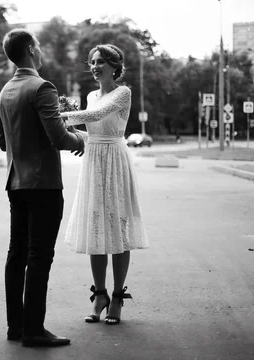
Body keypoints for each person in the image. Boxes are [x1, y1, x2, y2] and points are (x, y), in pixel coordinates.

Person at [0, 29, 85, 347]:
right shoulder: (41, 87)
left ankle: (15, 327)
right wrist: (81, 140)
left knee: (16, 254)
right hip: (44, 185)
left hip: (15, 183)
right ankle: (34, 329)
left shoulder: (6, 90)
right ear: (32, 49)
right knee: (39, 256)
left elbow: (3, 140)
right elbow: (59, 138)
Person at [61, 44, 149, 325]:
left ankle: (117, 298)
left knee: (119, 227)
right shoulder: (89, 95)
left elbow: (98, 116)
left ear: (114, 66)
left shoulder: (123, 93)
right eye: (92, 62)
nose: (95, 66)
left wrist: (57, 116)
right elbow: (90, 129)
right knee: (96, 226)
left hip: (115, 160)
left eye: (101, 62)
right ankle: (99, 295)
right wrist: (76, 137)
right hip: (94, 161)